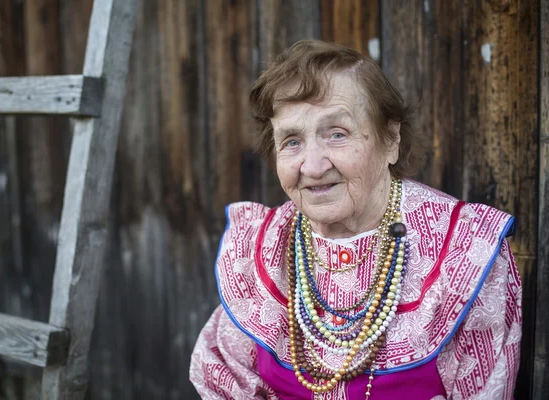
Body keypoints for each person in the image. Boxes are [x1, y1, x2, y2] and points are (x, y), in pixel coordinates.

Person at [189, 40, 522, 400]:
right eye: (291, 141)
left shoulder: (466, 252)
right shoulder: (260, 250)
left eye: (337, 134)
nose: (313, 166)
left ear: (390, 139)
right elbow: (223, 376)